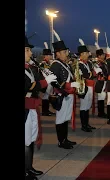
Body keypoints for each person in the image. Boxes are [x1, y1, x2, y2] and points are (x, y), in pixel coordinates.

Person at [25, 36, 57, 179]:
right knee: (26, 140)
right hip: (25, 108)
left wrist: (45, 78)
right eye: (27, 50)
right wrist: (45, 83)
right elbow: (29, 86)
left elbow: (35, 86)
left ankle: (29, 167)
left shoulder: (30, 68)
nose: (30, 53)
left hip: (31, 107)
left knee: (31, 138)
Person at [49, 31, 80, 149]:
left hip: (69, 94)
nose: (66, 53)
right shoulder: (55, 65)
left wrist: (74, 83)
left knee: (66, 118)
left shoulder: (65, 64)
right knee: (60, 119)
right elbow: (53, 81)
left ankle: (65, 139)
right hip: (62, 95)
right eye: (64, 52)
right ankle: (61, 141)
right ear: (57, 54)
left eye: (66, 51)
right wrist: (67, 86)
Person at [77, 39, 101, 132]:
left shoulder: (89, 63)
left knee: (87, 106)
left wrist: (93, 72)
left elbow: (91, 73)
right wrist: (94, 72)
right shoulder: (79, 64)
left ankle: (87, 124)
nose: (88, 54)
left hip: (90, 86)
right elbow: (86, 75)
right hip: (84, 87)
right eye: (86, 53)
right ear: (82, 54)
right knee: (84, 106)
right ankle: (84, 125)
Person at [40, 43, 55, 116]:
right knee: (45, 97)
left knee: (48, 96)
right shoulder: (43, 64)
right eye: (49, 55)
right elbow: (44, 74)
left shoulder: (49, 63)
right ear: (45, 56)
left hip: (50, 82)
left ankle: (47, 110)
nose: (50, 57)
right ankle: (44, 111)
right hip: (46, 82)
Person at [94, 47, 108, 118]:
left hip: (104, 82)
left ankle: (102, 112)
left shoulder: (103, 62)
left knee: (103, 97)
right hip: (101, 82)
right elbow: (98, 74)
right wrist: (103, 77)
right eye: (102, 55)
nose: (104, 56)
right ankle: (100, 113)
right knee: (101, 98)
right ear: (99, 56)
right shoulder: (98, 63)